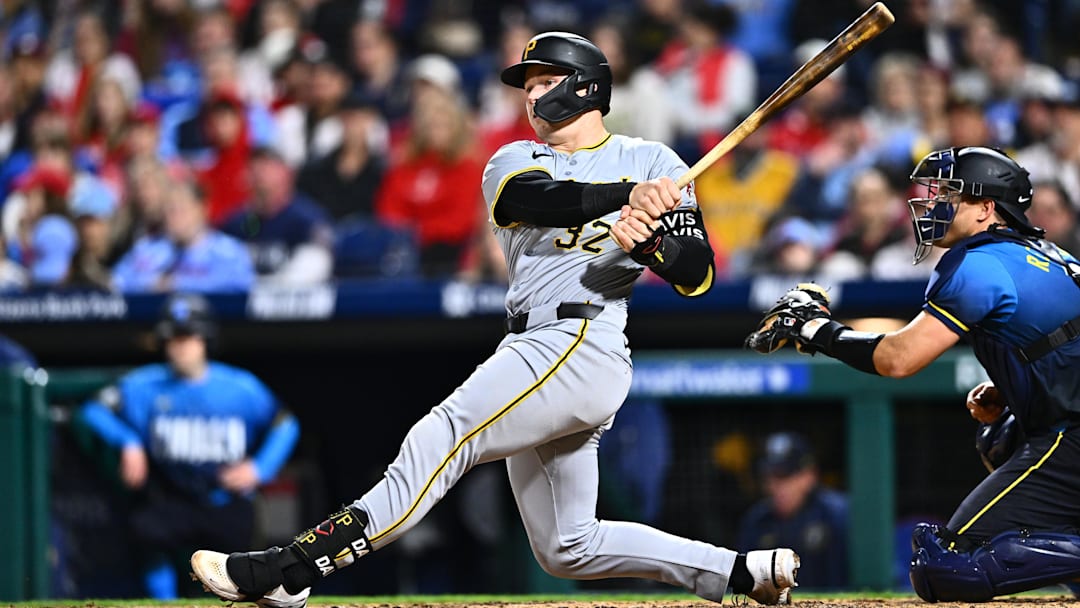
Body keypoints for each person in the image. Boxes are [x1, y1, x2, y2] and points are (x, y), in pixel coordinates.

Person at [190, 31, 799, 608]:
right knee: (568, 546)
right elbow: (531, 199)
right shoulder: (515, 157)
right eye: (527, 86)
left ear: (586, 85)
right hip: (536, 341)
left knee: (444, 434)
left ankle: (291, 570)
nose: (531, 95)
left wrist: (651, 245)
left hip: (581, 337)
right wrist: (625, 196)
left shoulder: (653, 159)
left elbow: (697, 276)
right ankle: (743, 572)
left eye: (544, 81)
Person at [744, 146, 1080, 602]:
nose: (935, 203)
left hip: (1073, 435)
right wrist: (1013, 386)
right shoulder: (1049, 254)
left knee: (946, 567)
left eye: (950, 194)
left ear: (986, 208)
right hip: (1068, 425)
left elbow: (898, 359)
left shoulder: (979, 262)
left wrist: (816, 330)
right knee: (1002, 435)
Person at [78, 293, 301, 599]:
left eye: (188, 337)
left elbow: (285, 424)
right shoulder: (143, 385)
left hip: (224, 497)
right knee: (145, 529)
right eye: (173, 338)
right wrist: (128, 441)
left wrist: (260, 468)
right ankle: (164, 604)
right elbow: (93, 410)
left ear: (205, 339)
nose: (180, 346)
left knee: (239, 569)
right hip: (171, 496)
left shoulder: (240, 387)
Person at [736, 432, 849, 590]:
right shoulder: (757, 521)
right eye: (771, 476)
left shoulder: (838, 514)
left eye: (786, 476)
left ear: (809, 475)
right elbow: (743, 584)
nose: (777, 486)